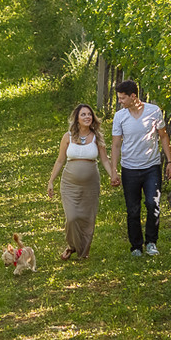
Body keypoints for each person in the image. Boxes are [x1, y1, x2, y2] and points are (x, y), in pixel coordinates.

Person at [110, 80, 171, 257]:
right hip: (129, 168)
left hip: (151, 167)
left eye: (122, 98)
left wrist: (170, 161)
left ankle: (151, 242)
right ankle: (136, 246)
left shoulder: (153, 111)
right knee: (133, 209)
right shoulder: (120, 116)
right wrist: (114, 170)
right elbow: (116, 144)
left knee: (153, 203)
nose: (120, 101)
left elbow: (163, 136)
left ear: (133, 96)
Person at [47, 103, 114, 260]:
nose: (87, 117)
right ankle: (72, 245)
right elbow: (60, 160)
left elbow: (104, 160)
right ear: (77, 118)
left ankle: (83, 251)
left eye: (89, 114)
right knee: (72, 217)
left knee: (87, 218)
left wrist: (113, 175)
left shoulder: (97, 137)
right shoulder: (68, 137)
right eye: (83, 114)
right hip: (69, 183)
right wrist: (51, 181)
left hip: (91, 184)